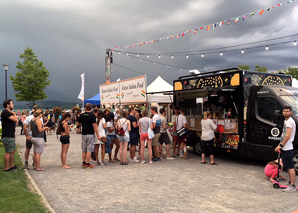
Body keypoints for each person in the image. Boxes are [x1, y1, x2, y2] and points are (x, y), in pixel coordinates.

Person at [274, 106, 297, 192]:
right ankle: (291, 182)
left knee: (290, 167)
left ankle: (293, 186)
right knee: (288, 166)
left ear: (291, 112)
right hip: (286, 147)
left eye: (287, 111)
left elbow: (288, 135)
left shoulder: (290, 122)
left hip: (287, 147)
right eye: (284, 111)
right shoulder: (286, 121)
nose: (285, 113)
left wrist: (281, 145)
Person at [77, 103, 101, 169]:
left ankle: (83, 162)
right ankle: (88, 163)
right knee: (89, 149)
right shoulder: (92, 116)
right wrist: (98, 135)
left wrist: (79, 128)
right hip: (90, 134)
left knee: (84, 149)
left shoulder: (81, 115)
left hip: (83, 134)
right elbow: (95, 126)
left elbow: (78, 124)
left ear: (85, 108)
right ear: (91, 108)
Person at [1, 99, 18, 172]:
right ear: (8, 105)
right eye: (12, 103)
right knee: (8, 151)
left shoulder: (8, 113)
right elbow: (16, 120)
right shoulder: (5, 113)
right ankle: (6, 167)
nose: (13, 105)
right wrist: (14, 113)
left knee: (13, 150)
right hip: (7, 136)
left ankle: (12, 165)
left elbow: (15, 123)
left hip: (11, 135)